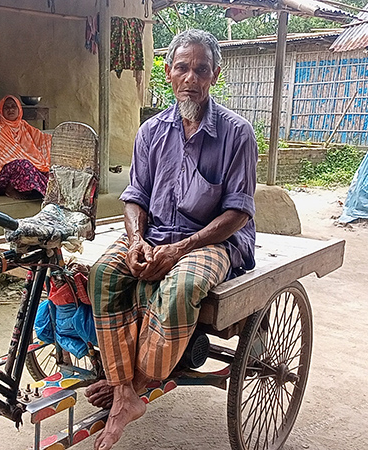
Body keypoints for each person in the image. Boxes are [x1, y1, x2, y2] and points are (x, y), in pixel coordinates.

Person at [84, 29, 258, 450]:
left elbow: (237, 213)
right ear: (168, 72)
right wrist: (137, 240)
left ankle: (136, 382)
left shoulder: (237, 134)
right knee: (104, 273)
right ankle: (124, 390)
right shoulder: (150, 132)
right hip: (156, 235)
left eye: (201, 69)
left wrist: (179, 249)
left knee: (180, 287)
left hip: (215, 241)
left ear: (215, 74)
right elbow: (134, 198)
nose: (190, 78)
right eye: (182, 67)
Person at [0, 95, 52, 199]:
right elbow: (0, 158)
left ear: (19, 109)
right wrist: (29, 160)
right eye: (6, 107)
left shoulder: (23, 125)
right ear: (1, 111)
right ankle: (10, 189)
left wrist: (60, 139)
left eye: (14, 106)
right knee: (23, 165)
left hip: (23, 163)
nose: (10, 109)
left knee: (46, 171)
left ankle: (34, 191)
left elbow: (41, 138)